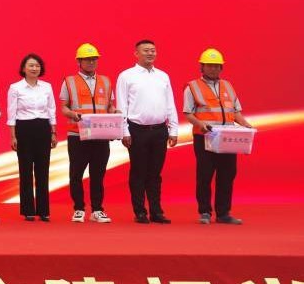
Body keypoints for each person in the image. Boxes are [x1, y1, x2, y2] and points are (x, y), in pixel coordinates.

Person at [183, 48, 253, 225]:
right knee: (205, 175)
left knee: (227, 175)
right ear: (202, 67)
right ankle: (205, 212)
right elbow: (188, 113)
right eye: (210, 65)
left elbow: (235, 112)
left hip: (227, 137)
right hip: (205, 137)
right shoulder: (192, 87)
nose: (213, 69)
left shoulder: (228, 86)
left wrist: (245, 124)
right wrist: (201, 125)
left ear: (221, 68)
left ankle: (223, 213)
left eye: (217, 66)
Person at [116, 39, 178, 224]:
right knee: (138, 172)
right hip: (137, 130)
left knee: (155, 173)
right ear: (136, 54)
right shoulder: (126, 76)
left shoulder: (163, 76)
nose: (150, 53)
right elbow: (121, 105)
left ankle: (156, 211)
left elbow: (170, 103)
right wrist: (124, 131)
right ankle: (140, 211)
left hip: (160, 130)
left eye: (153, 50)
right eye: (146, 50)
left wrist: (173, 129)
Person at [60, 43, 117, 224]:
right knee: (76, 173)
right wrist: (73, 115)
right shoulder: (69, 82)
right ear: (79, 61)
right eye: (87, 59)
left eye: (94, 59)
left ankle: (97, 210)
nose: (92, 62)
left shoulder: (106, 81)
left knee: (98, 174)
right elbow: (63, 107)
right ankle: (78, 209)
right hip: (78, 135)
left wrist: (114, 112)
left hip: (100, 134)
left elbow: (109, 106)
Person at [7, 53, 57, 222]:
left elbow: (51, 110)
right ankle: (28, 210)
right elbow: (11, 113)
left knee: (43, 170)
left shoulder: (47, 87)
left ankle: (43, 210)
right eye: (31, 65)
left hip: (43, 128)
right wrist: (13, 136)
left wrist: (53, 132)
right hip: (24, 129)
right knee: (26, 170)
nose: (34, 68)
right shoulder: (15, 88)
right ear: (23, 68)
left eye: (37, 66)